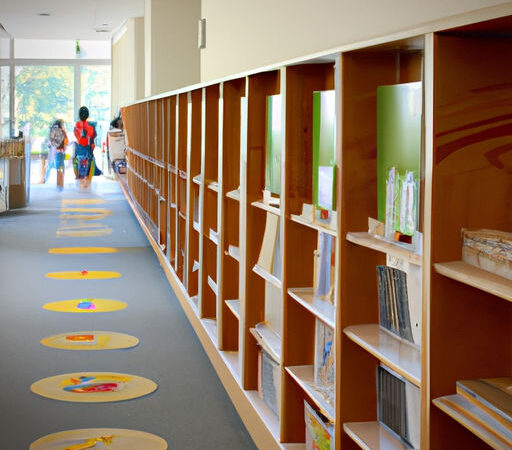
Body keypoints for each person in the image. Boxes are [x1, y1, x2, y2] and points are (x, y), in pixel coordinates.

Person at [73, 106, 100, 188]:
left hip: (79, 150)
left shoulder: (76, 126)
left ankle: (80, 181)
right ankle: (87, 184)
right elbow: (92, 138)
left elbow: (77, 137)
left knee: (77, 165)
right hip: (88, 150)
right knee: (90, 165)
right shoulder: (91, 126)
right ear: (87, 115)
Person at [47, 119, 68, 189]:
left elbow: (49, 143)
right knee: (61, 167)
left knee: (54, 167)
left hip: (54, 152)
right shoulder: (62, 131)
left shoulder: (52, 130)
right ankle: (60, 183)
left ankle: (56, 182)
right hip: (60, 152)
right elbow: (66, 142)